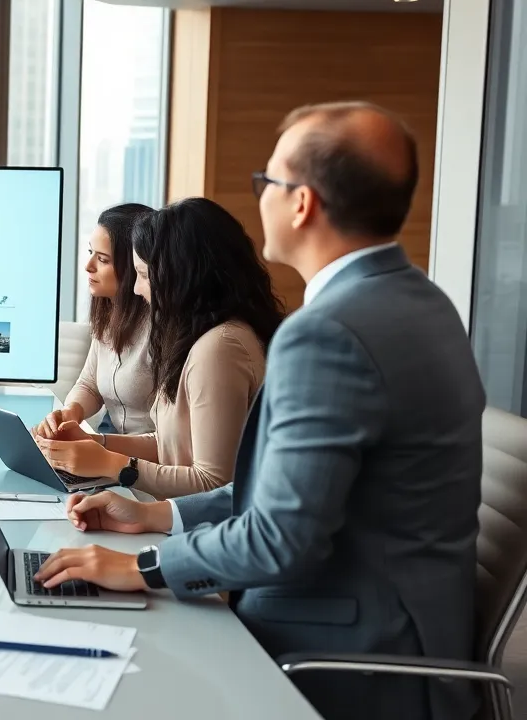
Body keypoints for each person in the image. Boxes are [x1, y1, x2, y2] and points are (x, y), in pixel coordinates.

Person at [33, 102, 484, 720]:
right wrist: (156, 516)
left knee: (104, 675)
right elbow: (286, 498)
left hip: (346, 648)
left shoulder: (328, 332)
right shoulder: (426, 303)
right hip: (411, 628)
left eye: (266, 182)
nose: (260, 197)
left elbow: (279, 540)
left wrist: (142, 566)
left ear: (301, 204)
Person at [37, 198, 284, 499]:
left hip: (192, 522)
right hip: (169, 505)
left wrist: (112, 464)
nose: (138, 290)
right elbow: (169, 445)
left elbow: (215, 485)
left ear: (180, 276)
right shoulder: (194, 337)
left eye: (142, 276)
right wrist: (97, 444)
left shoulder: (220, 348)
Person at [34, 203, 156, 437]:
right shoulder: (110, 313)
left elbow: (172, 444)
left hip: (142, 455)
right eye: (91, 253)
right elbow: (89, 384)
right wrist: (71, 412)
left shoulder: (160, 328)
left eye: (102, 259)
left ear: (133, 265)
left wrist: (99, 446)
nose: (88, 266)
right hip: (110, 437)